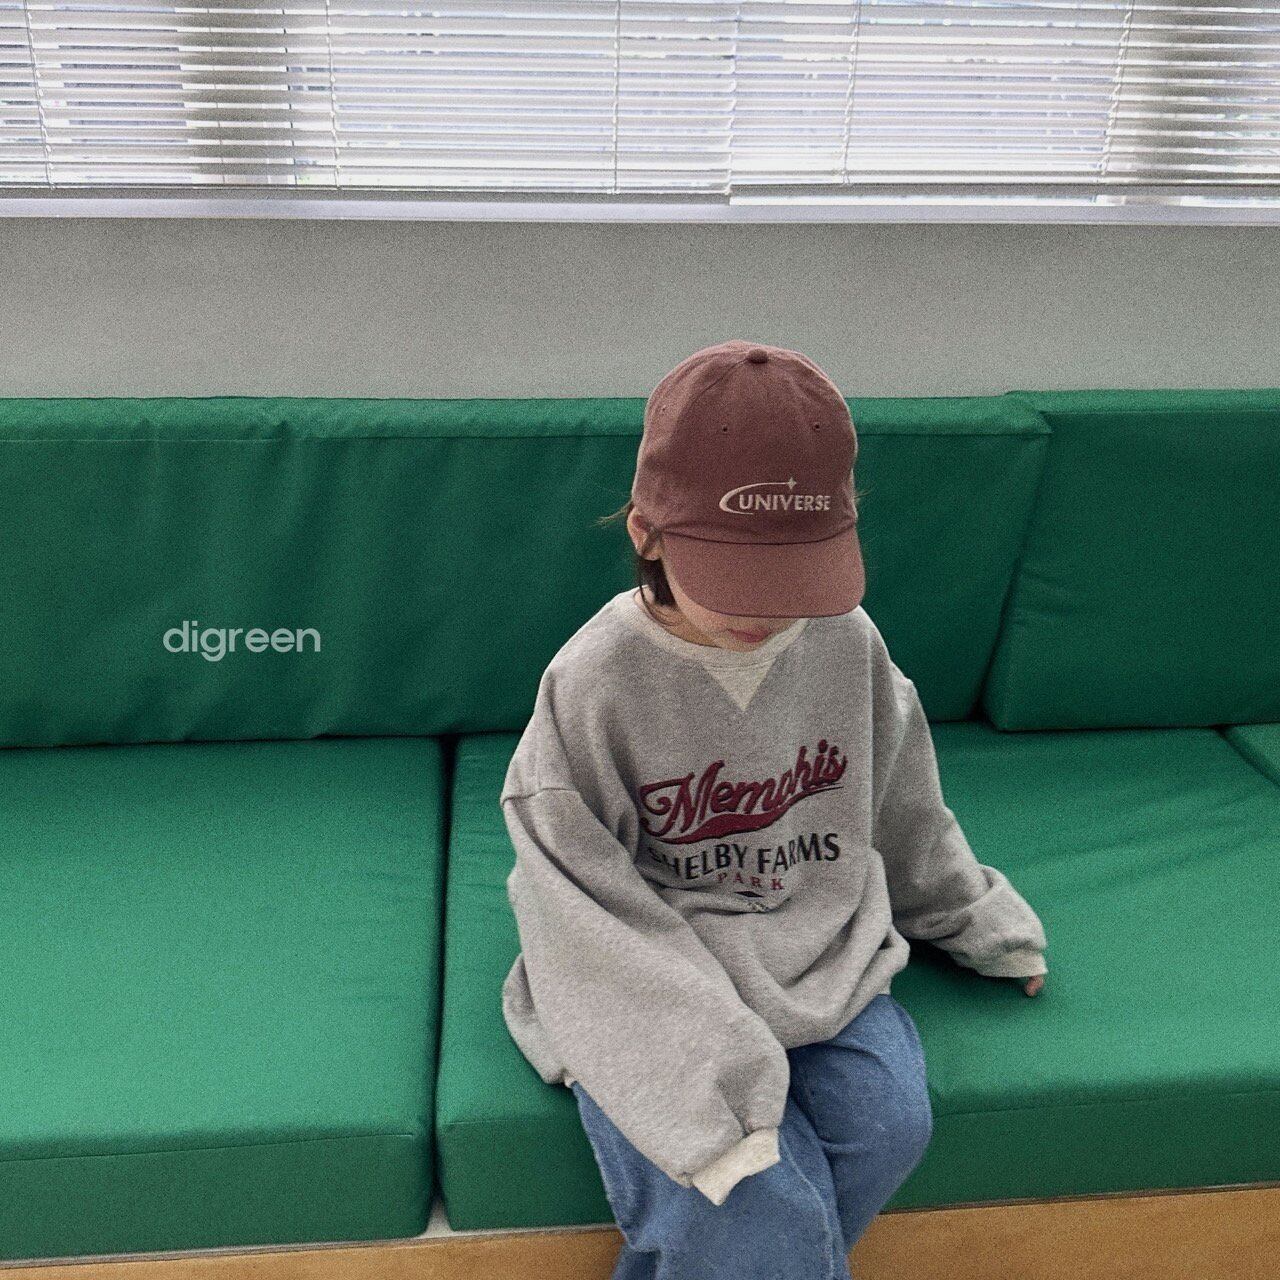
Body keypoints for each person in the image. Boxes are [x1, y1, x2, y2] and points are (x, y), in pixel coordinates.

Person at [499, 339, 1049, 1279]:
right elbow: (574, 902)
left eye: (794, 578)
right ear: (647, 533)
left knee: (889, 1127)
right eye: (737, 578)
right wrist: (707, 1084)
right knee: (750, 1202)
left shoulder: (847, 643)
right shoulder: (593, 682)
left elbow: (903, 806)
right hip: (649, 974)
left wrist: (977, 922)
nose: (765, 613)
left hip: (819, 950)